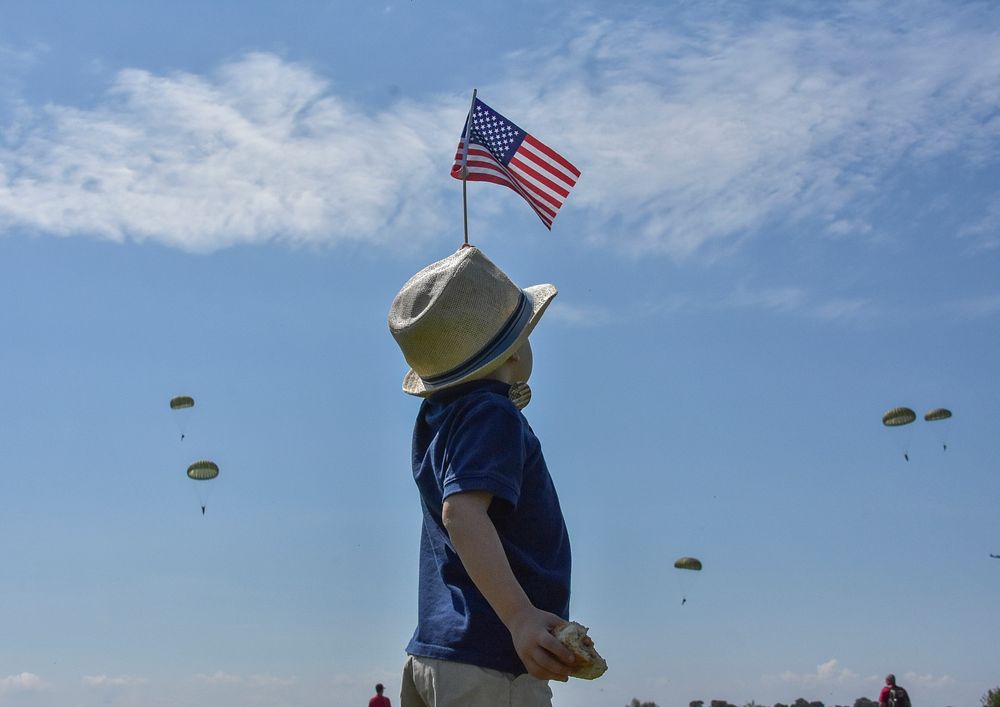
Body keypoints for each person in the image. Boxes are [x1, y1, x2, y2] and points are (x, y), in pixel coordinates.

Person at [388, 245, 578, 707]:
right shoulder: (492, 414)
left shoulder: (441, 416)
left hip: (439, 652)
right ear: (512, 356)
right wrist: (519, 618)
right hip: (491, 658)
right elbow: (462, 514)